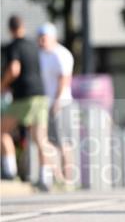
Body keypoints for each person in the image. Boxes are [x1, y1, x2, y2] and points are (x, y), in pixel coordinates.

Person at [1, 16, 53, 190]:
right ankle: (46, 177)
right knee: (40, 138)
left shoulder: (13, 47)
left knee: (2, 130)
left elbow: (14, 69)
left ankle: (9, 170)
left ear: (10, 29)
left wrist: (2, 84)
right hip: (40, 95)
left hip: (23, 97)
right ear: (23, 26)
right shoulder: (34, 46)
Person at [37, 22, 75, 188]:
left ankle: (68, 179)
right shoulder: (41, 55)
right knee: (49, 142)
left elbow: (64, 79)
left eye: (44, 38)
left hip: (61, 103)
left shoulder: (62, 54)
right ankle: (57, 178)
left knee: (64, 142)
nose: (41, 42)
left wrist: (58, 101)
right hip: (45, 103)